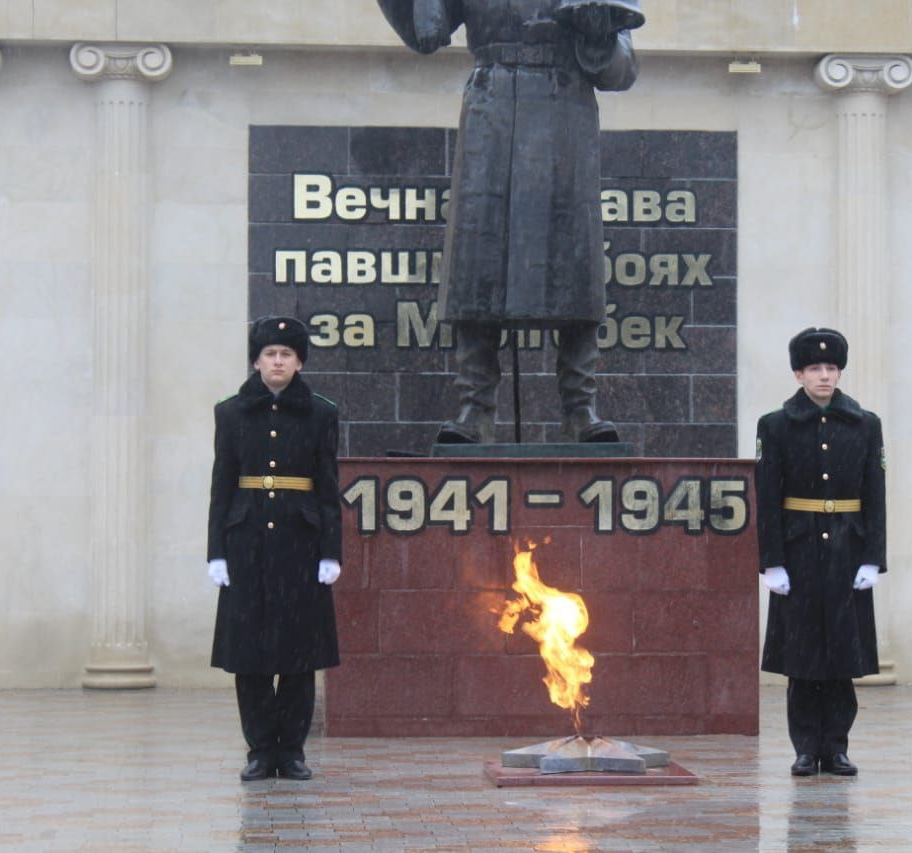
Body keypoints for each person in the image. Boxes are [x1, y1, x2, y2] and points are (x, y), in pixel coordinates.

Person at [374, 0, 643, 443]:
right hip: (491, 106)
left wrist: (600, 35)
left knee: (574, 259)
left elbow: (622, 70)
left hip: (565, 107)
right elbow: (426, 32)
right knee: (476, 258)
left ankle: (580, 408)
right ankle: (475, 408)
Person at [206, 316, 343, 782]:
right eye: (270, 354)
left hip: (300, 546)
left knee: (298, 656)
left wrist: (330, 551)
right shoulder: (230, 412)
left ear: (299, 361)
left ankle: (292, 750)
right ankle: (261, 750)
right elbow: (221, 486)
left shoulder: (322, 413)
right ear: (257, 360)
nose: (278, 361)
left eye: (286, 354)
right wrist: (216, 552)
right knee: (251, 655)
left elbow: (328, 488)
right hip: (247, 545)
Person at [754, 327, 886, 778]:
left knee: (842, 656)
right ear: (798, 374)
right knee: (803, 655)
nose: (824, 376)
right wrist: (771, 560)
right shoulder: (775, 426)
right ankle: (806, 749)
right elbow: (767, 495)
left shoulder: (865, 424)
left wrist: (873, 556)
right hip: (799, 548)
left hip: (847, 547)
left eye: (831, 368)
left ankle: (838, 747)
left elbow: (876, 493)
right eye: (815, 368)